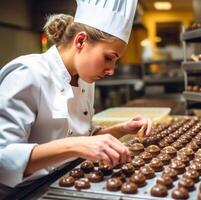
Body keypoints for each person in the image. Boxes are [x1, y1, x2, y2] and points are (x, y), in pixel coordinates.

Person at [0, 0, 151, 191]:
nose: (112, 70)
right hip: (22, 191)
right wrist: (74, 146)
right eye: (108, 58)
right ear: (80, 41)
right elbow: (3, 159)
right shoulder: (27, 74)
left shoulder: (84, 81)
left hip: (66, 181)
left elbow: (85, 137)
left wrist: (122, 128)